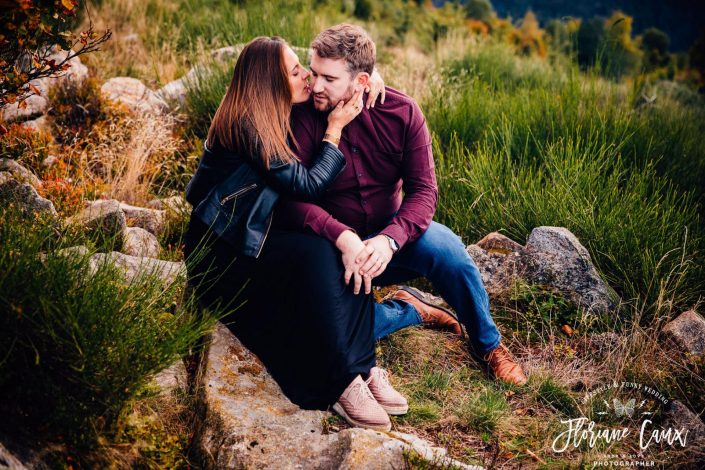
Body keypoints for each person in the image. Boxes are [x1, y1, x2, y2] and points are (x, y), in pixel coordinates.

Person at [276, 24, 528, 386]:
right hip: (330, 248)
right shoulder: (301, 116)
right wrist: (343, 238)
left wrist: (389, 239)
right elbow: (294, 201)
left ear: (363, 80)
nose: (315, 86)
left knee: (449, 251)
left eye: (328, 78)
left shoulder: (402, 112)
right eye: (313, 73)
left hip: (390, 237)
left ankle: (489, 346)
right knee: (315, 331)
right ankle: (408, 310)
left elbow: (424, 191)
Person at [183, 36, 407, 432]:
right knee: (320, 256)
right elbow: (306, 185)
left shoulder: (271, 111)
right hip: (220, 254)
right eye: (296, 71)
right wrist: (335, 129)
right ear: (270, 82)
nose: (306, 76)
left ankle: (363, 368)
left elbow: (345, 77)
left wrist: (365, 81)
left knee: (343, 249)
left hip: (253, 234)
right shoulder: (249, 124)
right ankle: (340, 382)